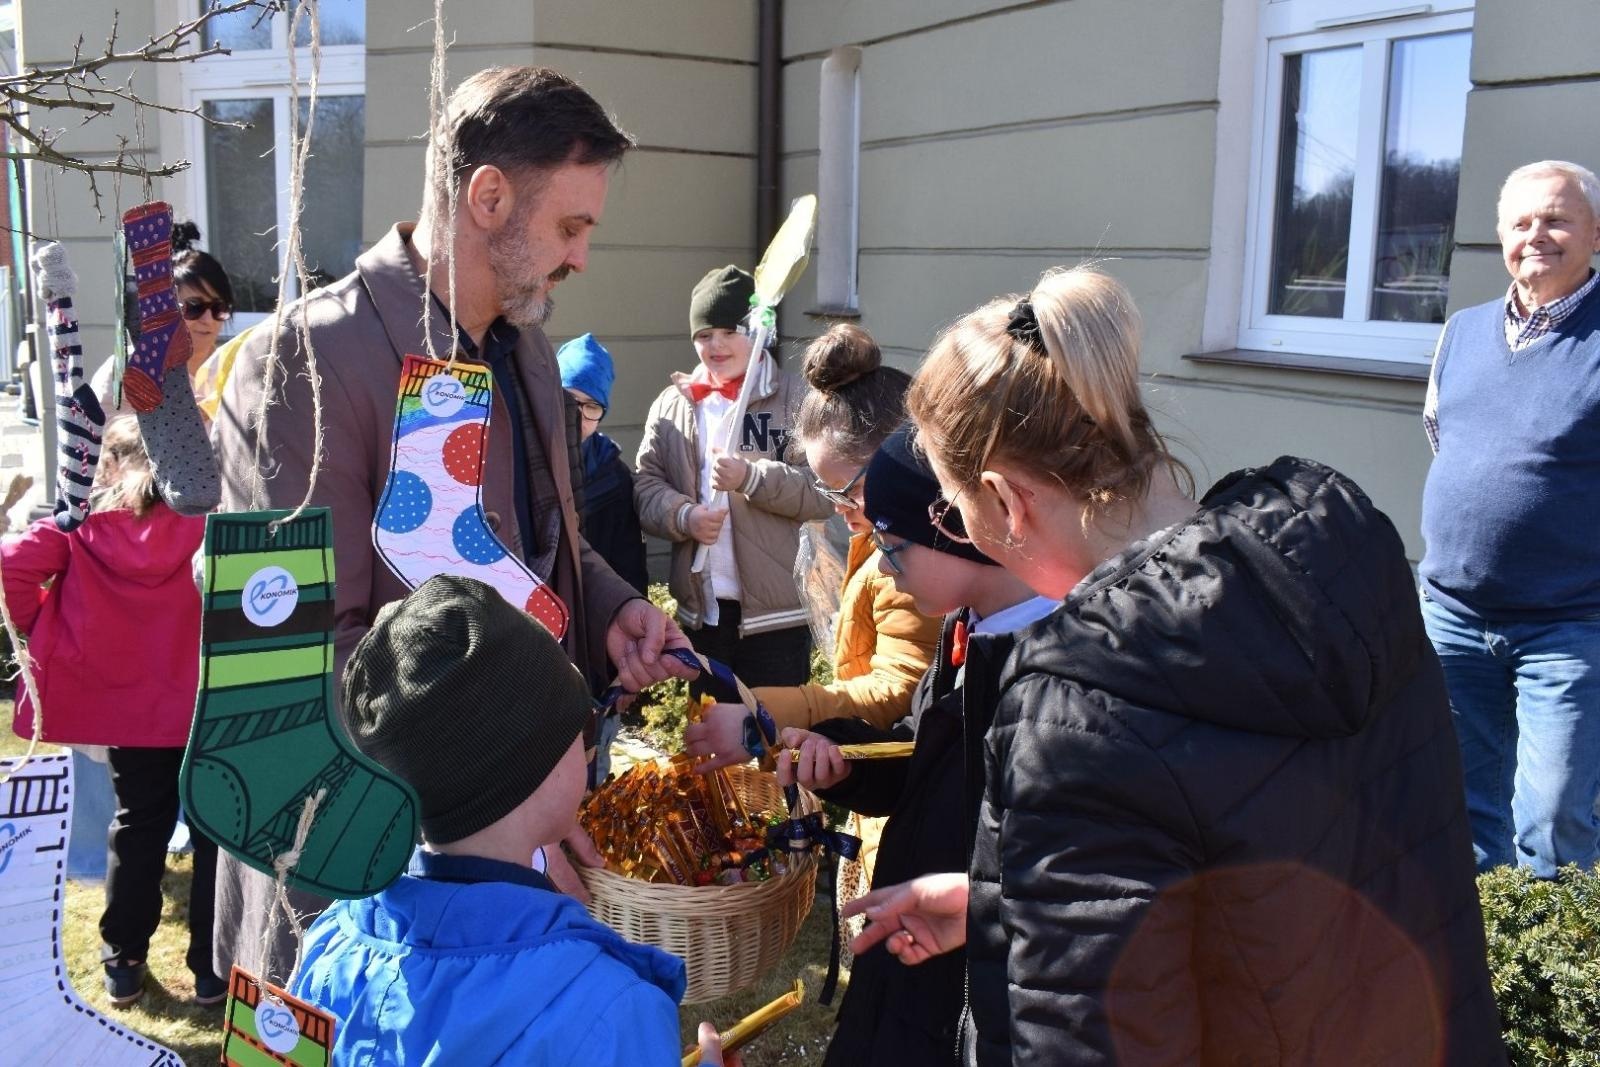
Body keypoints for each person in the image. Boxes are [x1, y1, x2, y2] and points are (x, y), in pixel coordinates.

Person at [847, 267, 1504, 1065]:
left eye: (955, 510)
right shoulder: (1335, 545)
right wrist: (1013, 904)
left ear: (1008, 501)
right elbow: (1275, 885)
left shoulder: (1077, 706)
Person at [210, 66, 695, 982]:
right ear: (489, 197)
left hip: (504, 877)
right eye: (571, 227)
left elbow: (538, 547)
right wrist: (508, 812)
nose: (582, 258)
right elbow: (293, 664)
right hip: (360, 894)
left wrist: (611, 607)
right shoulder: (303, 362)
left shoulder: (529, 351)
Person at [292, 575, 737, 1066]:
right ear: (535, 772)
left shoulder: (331, 942)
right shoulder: (610, 1007)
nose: (588, 749)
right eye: (581, 726)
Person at [777, 423, 1055, 1066]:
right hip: (907, 962)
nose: (883, 567)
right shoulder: (966, 629)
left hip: (965, 992)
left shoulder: (1049, 678)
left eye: (892, 546)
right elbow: (917, 756)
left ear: (955, 530)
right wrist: (844, 762)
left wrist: (980, 905)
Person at [0, 417, 225, 1007]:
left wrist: (41, 625)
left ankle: (123, 960)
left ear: (109, 462)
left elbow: (11, 564)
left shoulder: (79, 525)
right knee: (215, 834)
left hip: (126, 708)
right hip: (209, 700)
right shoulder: (216, 521)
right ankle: (211, 969)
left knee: (138, 825)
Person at [1420, 159, 1600, 878]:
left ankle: (1555, 949)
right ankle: (1482, 939)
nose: (1537, 236)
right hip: (1453, 617)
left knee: (1555, 817)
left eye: (1556, 219)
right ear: (1502, 238)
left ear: (1596, 233)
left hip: (1570, 624)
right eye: (1521, 223)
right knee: (1463, 806)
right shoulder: (1462, 331)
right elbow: (1449, 441)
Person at [683, 323, 940, 765]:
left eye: (850, 490)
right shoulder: (879, 539)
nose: (839, 508)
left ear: (902, 461)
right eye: (828, 491)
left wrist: (765, 712)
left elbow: (900, 690)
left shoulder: (912, 559)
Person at [634, 265, 832, 699]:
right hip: (703, 614)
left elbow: (824, 492)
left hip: (777, 616)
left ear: (757, 331)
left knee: (770, 730)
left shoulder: (797, 400)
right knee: (708, 730)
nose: (716, 345)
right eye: (704, 334)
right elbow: (646, 486)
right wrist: (683, 516)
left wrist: (752, 478)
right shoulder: (672, 406)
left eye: (729, 331)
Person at [93, 220, 236, 418]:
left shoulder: (236, 370)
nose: (208, 319)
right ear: (166, 309)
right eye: (195, 307)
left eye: (218, 308)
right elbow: (105, 433)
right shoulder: (125, 371)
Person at [558, 332, 649, 596]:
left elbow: (629, 565)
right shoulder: (524, 457)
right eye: (569, 401)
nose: (577, 416)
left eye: (591, 406)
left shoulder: (614, 476)